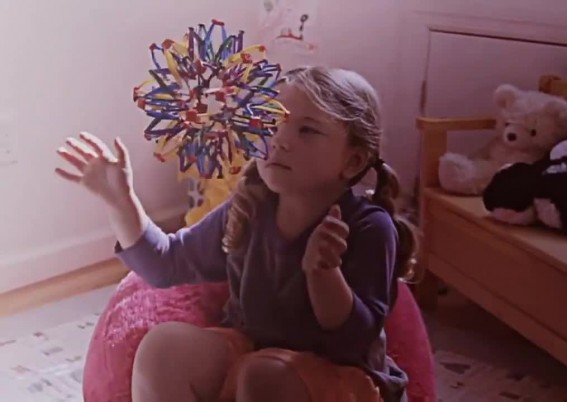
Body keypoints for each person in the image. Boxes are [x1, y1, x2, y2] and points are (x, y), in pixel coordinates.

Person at [55, 66, 419, 402]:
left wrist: (324, 275)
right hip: (250, 357)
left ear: (353, 161)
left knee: (263, 375)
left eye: (307, 130)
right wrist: (121, 202)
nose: (279, 140)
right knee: (163, 348)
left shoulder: (369, 228)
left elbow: (352, 341)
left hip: (341, 379)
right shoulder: (250, 208)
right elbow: (165, 264)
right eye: (271, 122)